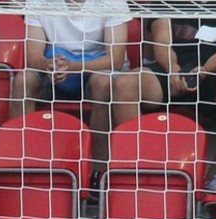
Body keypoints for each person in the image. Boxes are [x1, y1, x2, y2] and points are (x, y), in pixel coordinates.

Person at [11, 0, 130, 163]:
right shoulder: (38, 2)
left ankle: (99, 168)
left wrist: (72, 67)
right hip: (55, 67)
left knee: (103, 84)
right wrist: (51, 65)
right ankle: (19, 162)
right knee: (23, 81)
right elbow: (33, 57)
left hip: (96, 69)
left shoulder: (114, 2)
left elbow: (115, 60)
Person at [111, 17, 216, 137]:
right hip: (169, 70)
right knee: (124, 83)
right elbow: (162, 43)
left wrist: (205, 70)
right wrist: (173, 69)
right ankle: (135, 158)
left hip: (214, 72)